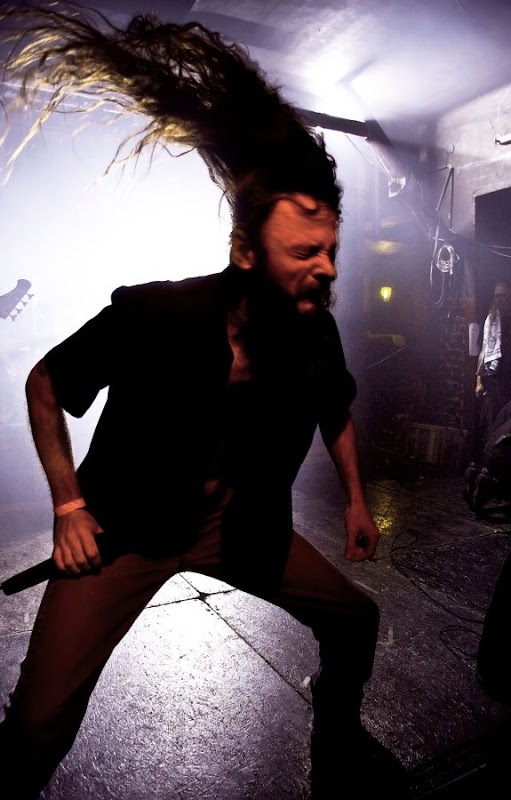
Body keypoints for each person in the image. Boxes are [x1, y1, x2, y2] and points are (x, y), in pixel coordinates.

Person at [0, 4, 409, 798]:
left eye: (331, 249)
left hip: (240, 527)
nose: (327, 268)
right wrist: (69, 507)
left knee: (354, 620)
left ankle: (335, 736)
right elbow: (45, 382)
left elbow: (334, 409)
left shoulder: (313, 331)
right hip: (128, 527)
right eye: (305, 251)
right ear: (247, 251)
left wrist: (357, 499)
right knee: (40, 724)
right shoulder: (156, 313)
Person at [474, 280, 511, 456]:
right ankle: (488, 463)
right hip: (493, 382)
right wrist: (479, 381)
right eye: (497, 296)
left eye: (503, 295)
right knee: (490, 427)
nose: (499, 299)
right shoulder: (490, 322)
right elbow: (483, 351)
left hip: (509, 384)